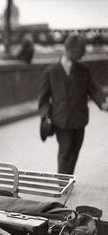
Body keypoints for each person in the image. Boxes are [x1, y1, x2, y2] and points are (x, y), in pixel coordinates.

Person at [38, 33, 108, 174]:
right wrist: (45, 116)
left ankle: (67, 179)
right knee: (65, 152)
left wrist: (103, 102)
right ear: (69, 50)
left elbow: (94, 89)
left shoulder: (84, 71)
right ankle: (62, 183)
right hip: (61, 121)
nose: (82, 56)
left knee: (74, 151)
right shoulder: (51, 72)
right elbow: (43, 99)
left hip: (80, 120)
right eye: (80, 52)